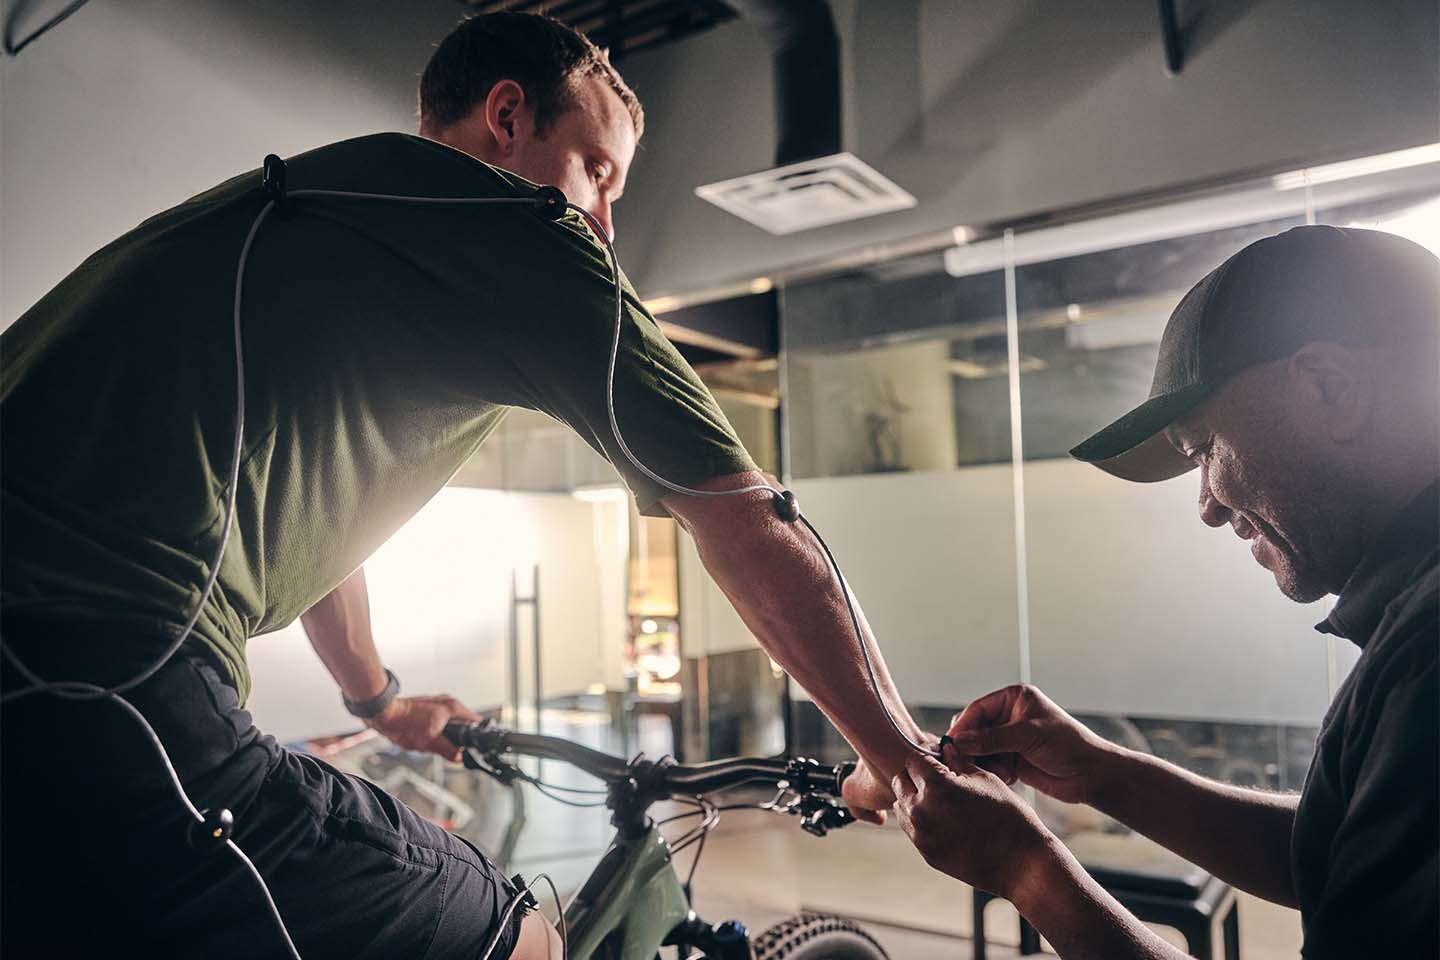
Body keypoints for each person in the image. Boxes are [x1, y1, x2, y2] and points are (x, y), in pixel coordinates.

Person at [0, 13, 917, 958]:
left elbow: (317, 524)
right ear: (508, 117)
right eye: (597, 169)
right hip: (101, 681)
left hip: (55, 687)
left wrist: (378, 700)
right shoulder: (522, 231)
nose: (603, 218)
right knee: (523, 940)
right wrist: (900, 759)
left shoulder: (313, 204)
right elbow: (748, 520)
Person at [890, 225, 1439, 958]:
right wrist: (1101, 773)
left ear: (1329, 389)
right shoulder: (1414, 615)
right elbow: (1343, 852)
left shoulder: (1428, 657)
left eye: (1204, 449)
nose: (1208, 504)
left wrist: (1027, 870)